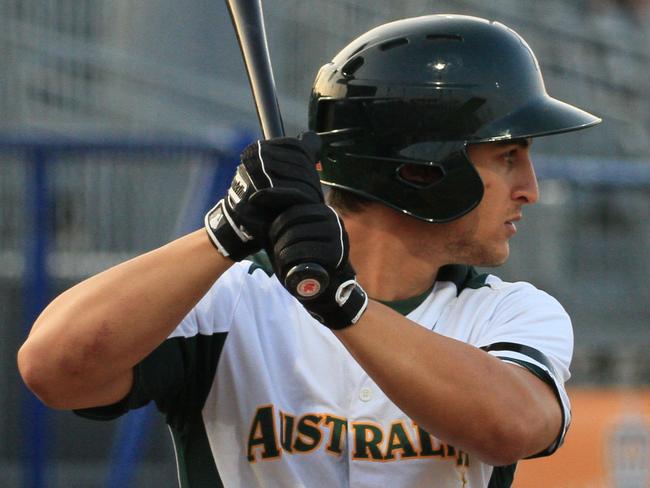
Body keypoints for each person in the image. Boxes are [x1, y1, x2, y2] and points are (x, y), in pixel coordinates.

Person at [17, 14, 601, 488]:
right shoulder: (229, 300)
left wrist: (342, 305)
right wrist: (223, 233)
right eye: (506, 156)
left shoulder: (511, 312)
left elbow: (513, 426)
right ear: (424, 168)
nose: (530, 188)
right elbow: (53, 369)